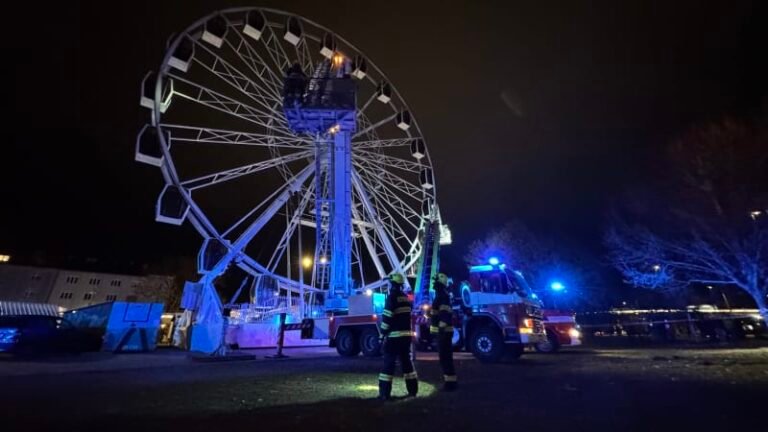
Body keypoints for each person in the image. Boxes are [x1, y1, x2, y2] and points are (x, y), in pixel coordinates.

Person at [378, 273, 418, 400]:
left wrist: (382, 334)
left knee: (388, 365)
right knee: (407, 365)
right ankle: (413, 391)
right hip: (406, 337)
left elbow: (387, 318)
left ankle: (384, 394)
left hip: (394, 337)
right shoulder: (405, 298)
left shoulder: (392, 297)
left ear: (392, 284)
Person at [431, 273, 457, 391]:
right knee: (445, 358)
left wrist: (440, 330)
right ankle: (450, 382)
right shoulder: (440, 295)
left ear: (439, 283)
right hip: (444, 331)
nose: (433, 283)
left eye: (435, 281)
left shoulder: (442, 296)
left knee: (445, 357)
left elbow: (444, 314)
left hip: (444, 332)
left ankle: (450, 384)